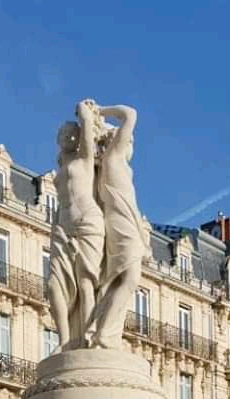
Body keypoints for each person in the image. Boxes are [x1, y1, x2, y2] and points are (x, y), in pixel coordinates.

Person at [47, 100, 105, 350]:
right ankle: (63, 341)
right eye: (64, 133)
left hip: (88, 221)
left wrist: (84, 112)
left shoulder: (84, 159)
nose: (68, 136)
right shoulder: (62, 165)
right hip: (63, 227)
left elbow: (88, 126)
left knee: (85, 283)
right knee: (54, 285)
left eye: (73, 133)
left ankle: (88, 339)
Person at [90, 105, 148, 349]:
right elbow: (130, 114)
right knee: (130, 278)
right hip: (121, 224)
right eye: (128, 139)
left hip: (126, 222)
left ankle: (104, 331)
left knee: (118, 280)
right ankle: (104, 333)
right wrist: (100, 111)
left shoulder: (117, 165)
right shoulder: (113, 159)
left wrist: (143, 235)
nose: (130, 143)